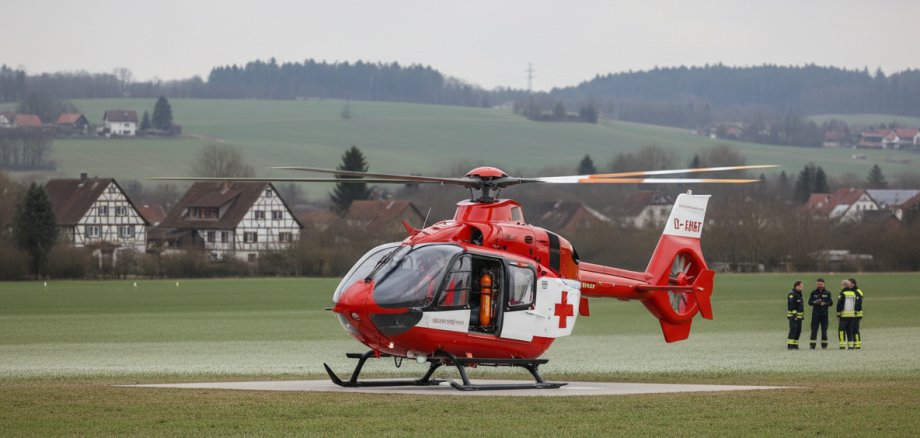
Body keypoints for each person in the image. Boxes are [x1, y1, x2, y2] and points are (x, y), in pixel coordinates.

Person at [807, 278, 834, 349]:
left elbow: (831, 303)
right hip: (815, 315)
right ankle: (812, 345)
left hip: (824, 315)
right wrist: (815, 302)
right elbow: (809, 302)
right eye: (818, 284)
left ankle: (824, 345)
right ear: (816, 284)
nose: (819, 285)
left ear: (824, 284)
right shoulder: (813, 292)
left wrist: (824, 303)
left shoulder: (827, 293)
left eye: (821, 284)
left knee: (824, 330)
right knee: (814, 330)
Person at [836, 279, 862, 350]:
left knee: (841, 330)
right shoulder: (853, 293)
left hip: (844, 315)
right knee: (850, 331)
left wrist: (838, 314)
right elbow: (857, 305)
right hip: (852, 316)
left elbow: (839, 305)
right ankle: (850, 345)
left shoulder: (842, 294)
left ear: (843, 285)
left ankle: (842, 345)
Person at [786, 280, 805, 350]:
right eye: (800, 286)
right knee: (793, 330)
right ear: (796, 286)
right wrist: (795, 315)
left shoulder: (799, 294)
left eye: (802, 286)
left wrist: (801, 316)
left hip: (799, 317)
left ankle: (795, 345)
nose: (801, 288)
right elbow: (791, 305)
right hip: (793, 316)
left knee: (798, 331)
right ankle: (790, 346)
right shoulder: (792, 294)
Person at [850, 278, 864, 349]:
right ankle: (853, 342)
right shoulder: (850, 291)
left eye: (850, 283)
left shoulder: (858, 291)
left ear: (853, 284)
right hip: (851, 314)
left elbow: (858, 302)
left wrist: (854, 310)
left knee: (855, 329)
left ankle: (857, 343)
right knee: (851, 329)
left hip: (857, 314)